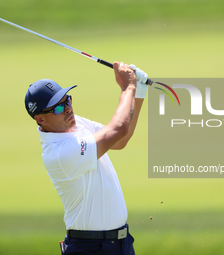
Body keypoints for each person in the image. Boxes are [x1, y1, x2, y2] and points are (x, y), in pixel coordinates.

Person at [24, 61, 148, 255]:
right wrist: (127, 87)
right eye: (57, 108)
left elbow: (120, 140)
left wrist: (138, 92)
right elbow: (118, 128)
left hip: (121, 244)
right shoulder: (59, 153)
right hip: (90, 248)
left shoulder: (75, 123)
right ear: (40, 119)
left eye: (67, 100)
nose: (67, 109)